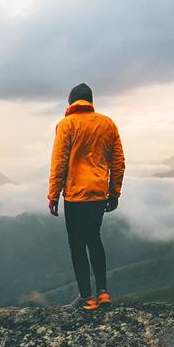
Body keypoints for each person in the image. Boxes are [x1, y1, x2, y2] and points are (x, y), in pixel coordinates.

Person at [47, 83, 125, 311]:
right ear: (90, 101)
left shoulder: (66, 124)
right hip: (99, 193)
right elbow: (118, 162)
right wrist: (114, 192)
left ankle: (86, 297)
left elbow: (59, 162)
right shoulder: (107, 123)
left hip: (75, 195)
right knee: (94, 238)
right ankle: (103, 293)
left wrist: (53, 194)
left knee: (77, 244)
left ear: (71, 102)